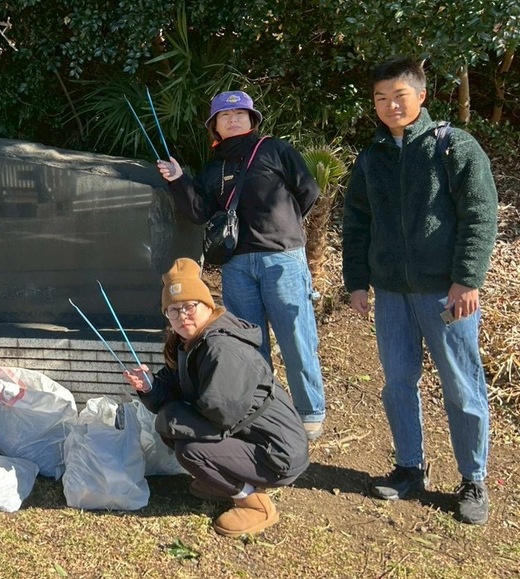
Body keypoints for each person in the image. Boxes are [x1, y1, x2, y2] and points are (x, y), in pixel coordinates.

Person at [342, 57, 498, 525]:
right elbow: (356, 223)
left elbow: (480, 213)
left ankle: (473, 478)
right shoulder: (371, 159)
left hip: (445, 293)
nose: (390, 105)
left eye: (399, 96)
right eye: (380, 98)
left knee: (461, 385)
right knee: (397, 382)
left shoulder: (454, 147)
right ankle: (410, 467)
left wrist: (467, 278)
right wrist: (357, 283)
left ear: (421, 96)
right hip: (391, 293)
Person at [157, 90, 327, 441]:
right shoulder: (214, 167)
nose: (233, 120)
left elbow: (307, 190)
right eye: (224, 116)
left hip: (282, 259)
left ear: (252, 119)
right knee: (250, 346)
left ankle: (310, 414)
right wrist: (178, 180)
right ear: (215, 126)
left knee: (296, 338)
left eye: (240, 114)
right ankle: (265, 412)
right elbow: (200, 211)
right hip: (236, 266)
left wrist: (286, 229)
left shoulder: (274, 149)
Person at [124, 258, 309, 537]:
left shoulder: (221, 348)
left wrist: (169, 419)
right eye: (173, 310)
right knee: (175, 428)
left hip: (277, 452)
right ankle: (226, 477)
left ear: (207, 305)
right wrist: (149, 387)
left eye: (189, 306)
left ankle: (254, 503)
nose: (182, 316)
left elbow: (220, 417)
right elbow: (172, 386)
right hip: (253, 438)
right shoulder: (191, 342)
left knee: (191, 450)